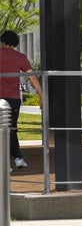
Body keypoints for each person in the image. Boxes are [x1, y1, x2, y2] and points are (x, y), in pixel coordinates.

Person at [0, 30, 43, 170]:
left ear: (2, 42)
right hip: (13, 98)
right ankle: (17, 159)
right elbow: (31, 76)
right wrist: (42, 95)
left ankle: (8, 162)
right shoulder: (20, 57)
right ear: (16, 43)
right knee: (11, 128)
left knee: (3, 130)